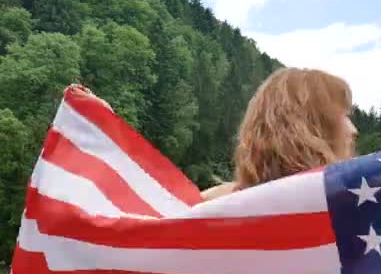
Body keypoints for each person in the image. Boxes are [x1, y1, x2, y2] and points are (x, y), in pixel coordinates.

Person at [70, 67, 358, 201]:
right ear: (308, 128)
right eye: (343, 116)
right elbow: (143, 221)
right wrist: (100, 132)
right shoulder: (215, 207)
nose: (353, 130)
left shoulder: (365, 197)